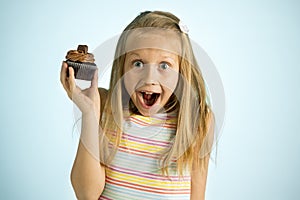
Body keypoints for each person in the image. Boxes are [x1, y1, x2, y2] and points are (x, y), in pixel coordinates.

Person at [60, 10, 215, 200]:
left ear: (182, 72)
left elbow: (197, 196)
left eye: (164, 65)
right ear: (122, 67)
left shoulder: (198, 120)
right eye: (138, 64)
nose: (149, 78)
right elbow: (86, 195)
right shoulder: (104, 107)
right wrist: (89, 112)